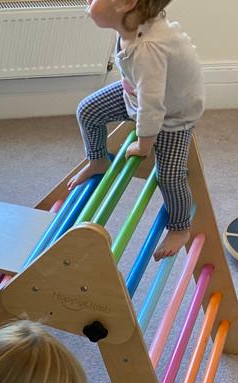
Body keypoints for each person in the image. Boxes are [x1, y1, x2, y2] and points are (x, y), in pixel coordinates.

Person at [68, 0, 203, 259]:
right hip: (136, 95)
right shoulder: (132, 28)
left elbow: (152, 108)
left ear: (126, 4)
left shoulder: (148, 49)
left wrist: (143, 144)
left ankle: (180, 227)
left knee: (170, 175)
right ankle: (98, 161)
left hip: (171, 115)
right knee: (88, 111)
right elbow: (141, 85)